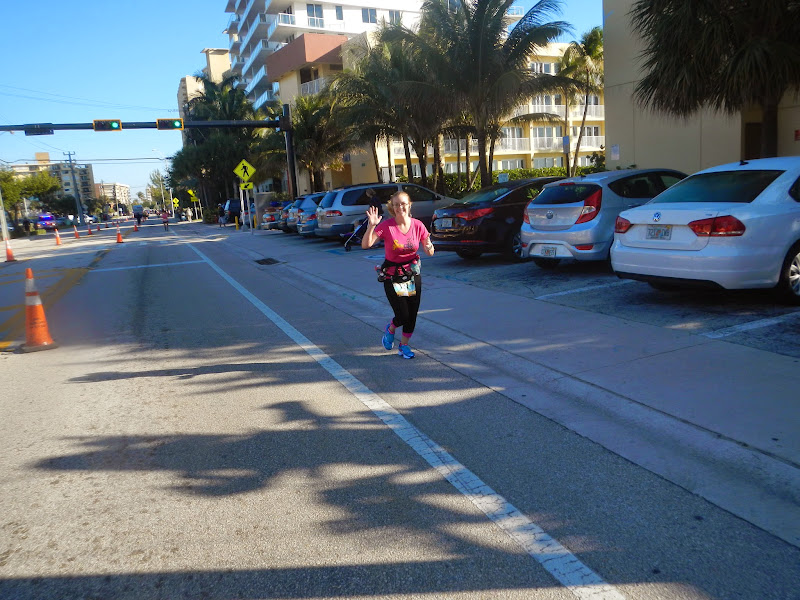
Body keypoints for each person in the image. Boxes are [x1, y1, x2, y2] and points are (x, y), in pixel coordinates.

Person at [361, 191, 434, 359]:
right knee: (402, 315)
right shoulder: (387, 226)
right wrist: (371, 226)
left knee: (412, 314)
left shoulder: (418, 225)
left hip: (412, 274)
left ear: (409, 205)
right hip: (392, 276)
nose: (400, 207)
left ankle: (404, 346)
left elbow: (429, 251)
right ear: (392, 208)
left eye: (403, 204)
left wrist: (429, 246)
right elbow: (366, 244)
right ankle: (391, 329)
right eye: (396, 205)